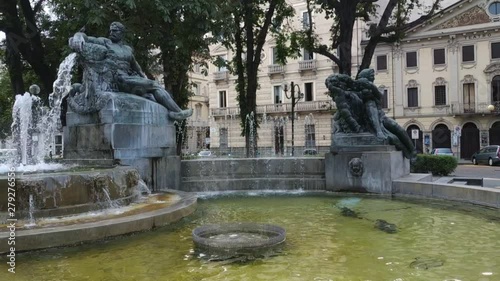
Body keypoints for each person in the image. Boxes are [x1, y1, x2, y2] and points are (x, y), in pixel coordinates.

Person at [68, 22, 192, 120]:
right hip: (116, 78)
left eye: (115, 31)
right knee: (154, 85)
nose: (111, 33)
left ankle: (168, 112)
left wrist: (143, 77)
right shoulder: (106, 42)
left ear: (122, 33)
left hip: (127, 78)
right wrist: (78, 36)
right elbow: (87, 38)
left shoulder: (127, 49)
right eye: (110, 30)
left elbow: (135, 66)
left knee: (150, 94)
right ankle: (177, 112)